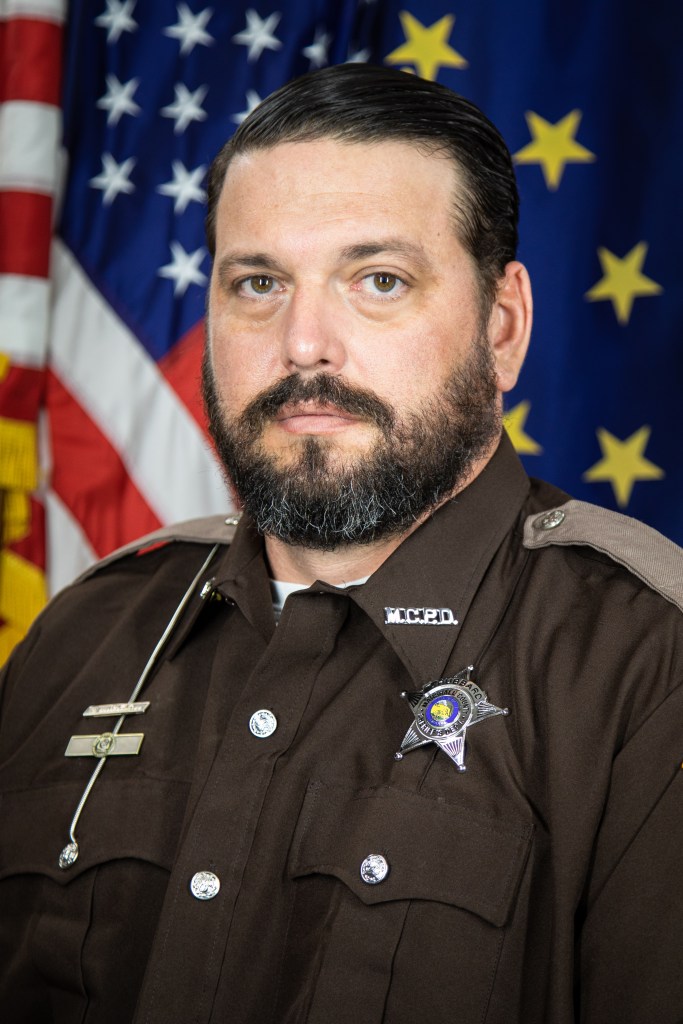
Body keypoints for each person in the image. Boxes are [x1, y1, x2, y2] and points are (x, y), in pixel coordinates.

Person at [1, 63, 682, 1024]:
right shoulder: (83, 637)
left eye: (378, 281)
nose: (303, 344)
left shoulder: (647, 671)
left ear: (502, 328)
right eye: (257, 283)